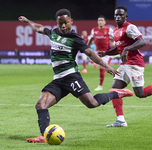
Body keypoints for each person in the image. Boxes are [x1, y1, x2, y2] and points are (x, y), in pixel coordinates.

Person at [18, 9, 134, 143]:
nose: (63, 26)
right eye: (60, 23)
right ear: (57, 23)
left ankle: (116, 93)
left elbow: (90, 53)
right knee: (40, 104)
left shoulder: (75, 38)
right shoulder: (53, 33)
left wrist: (106, 66)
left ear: (71, 22)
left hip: (71, 77)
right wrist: (28, 21)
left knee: (92, 103)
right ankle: (44, 136)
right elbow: (39, 28)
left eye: (66, 23)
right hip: (58, 80)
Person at [98, 6, 152, 127]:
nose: (118, 17)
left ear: (126, 16)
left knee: (140, 94)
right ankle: (121, 120)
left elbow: (142, 41)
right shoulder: (115, 31)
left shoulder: (130, 27)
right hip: (124, 65)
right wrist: (106, 52)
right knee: (114, 90)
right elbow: (118, 49)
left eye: (120, 15)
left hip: (135, 64)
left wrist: (127, 48)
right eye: (116, 15)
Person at [87, 15, 115, 91]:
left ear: (105, 22)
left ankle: (100, 86)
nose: (100, 22)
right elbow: (90, 39)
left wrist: (114, 43)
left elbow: (116, 37)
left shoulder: (108, 30)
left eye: (102, 20)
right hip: (99, 53)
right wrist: (86, 46)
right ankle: (116, 79)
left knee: (103, 68)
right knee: (105, 69)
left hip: (107, 53)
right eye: (99, 20)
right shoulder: (94, 30)